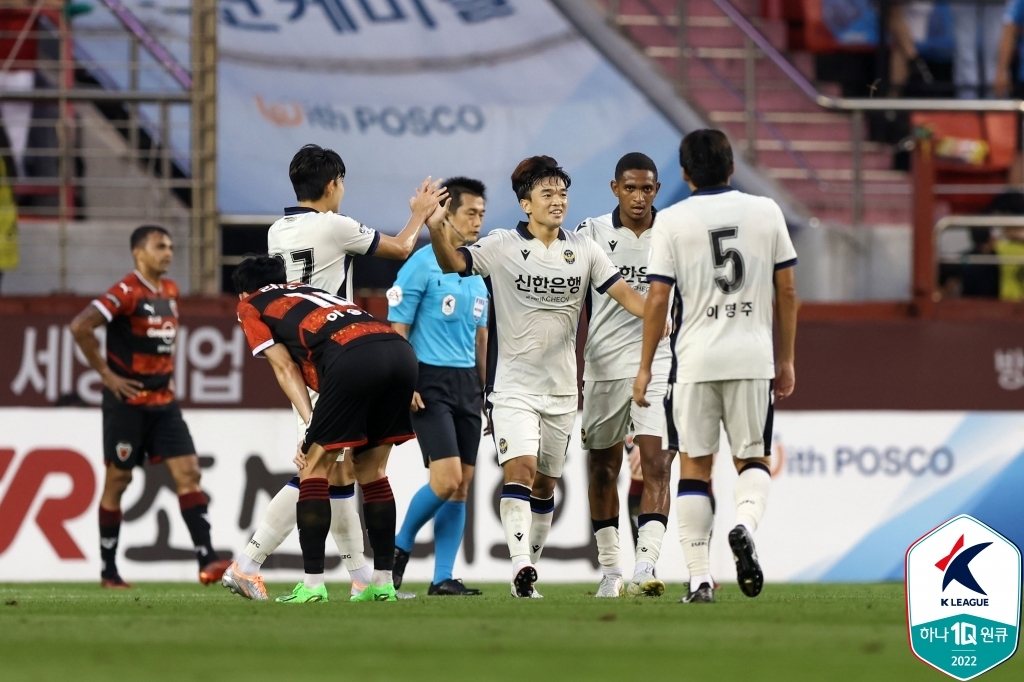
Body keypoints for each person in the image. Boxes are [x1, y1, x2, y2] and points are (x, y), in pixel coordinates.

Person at [222, 144, 445, 600]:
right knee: (320, 466)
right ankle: (249, 561)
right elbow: (402, 247)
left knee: (337, 471)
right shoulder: (335, 225)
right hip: (336, 351)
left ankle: (361, 575)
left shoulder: (276, 231)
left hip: (306, 350)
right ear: (332, 185)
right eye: (342, 183)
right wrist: (421, 213)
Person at [427, 155, 648, 598]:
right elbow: (454, 263)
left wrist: (666, 323)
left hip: (563, 390)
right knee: (520, 470)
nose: (557, 201)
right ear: (526, 203)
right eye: (547, 194)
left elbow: (627, 295)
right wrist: (434, 226)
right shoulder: (502, 245)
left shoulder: (584, 249)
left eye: (562, 193)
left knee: (546, 483)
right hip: (513, 387)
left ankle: (529, 572)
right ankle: (521, 565)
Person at [634, 130, 799, 604]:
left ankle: (701, 580)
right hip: (751, 357)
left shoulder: (673, 221)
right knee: (752, 460)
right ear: (731, 166)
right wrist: (785, 358)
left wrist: (645, 368)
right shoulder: (766, 211)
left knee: (693, 469)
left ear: (684, 174)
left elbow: (659, 298)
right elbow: (786, 291)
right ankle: (744, 525)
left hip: (693, 361)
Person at [232, 255, 419, 603]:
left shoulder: (250, 306)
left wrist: (309, 427)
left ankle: (313, 585)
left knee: (315, 468)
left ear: (243, 292)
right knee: (372, 470)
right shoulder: (307, 290)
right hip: (399, 351)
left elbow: (285, 367)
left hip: (352, 358)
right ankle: (380, 584)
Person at [69, 226, 231, 588]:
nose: (168, 252)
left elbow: (164, 345)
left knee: (189, 473)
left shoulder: (171, 291)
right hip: (126, 405)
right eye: (160, 246)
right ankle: (109, 571)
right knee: (119, 480)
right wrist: (108, 377)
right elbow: (81, 326)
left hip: (164, 404)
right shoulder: (125, 291)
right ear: (138, 253)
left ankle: (207, 559)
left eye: (171, 246)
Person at [575, 152, 675, 599]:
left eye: (647, 188)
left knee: (656, 464)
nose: (639, 197)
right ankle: (611, 569)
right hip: (603, 366)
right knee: (603, 469)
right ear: (615, 188)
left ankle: (645, 565)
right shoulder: (591, 233)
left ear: (657, 189)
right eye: (630, 187)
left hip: (658, 365)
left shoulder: (673, 233)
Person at [388, 178, 489, 596]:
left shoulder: (479, 267)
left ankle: (443, 577)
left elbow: (481, 337)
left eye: (483, 213)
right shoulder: (420, 265)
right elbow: (398, 328)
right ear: (446, 214)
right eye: (471, 212)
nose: (479, 221)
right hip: (427, 379)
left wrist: (486, 391)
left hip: (467, 382)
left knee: (462, 484)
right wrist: (404, 379)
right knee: (445, 479)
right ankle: (397, 550)